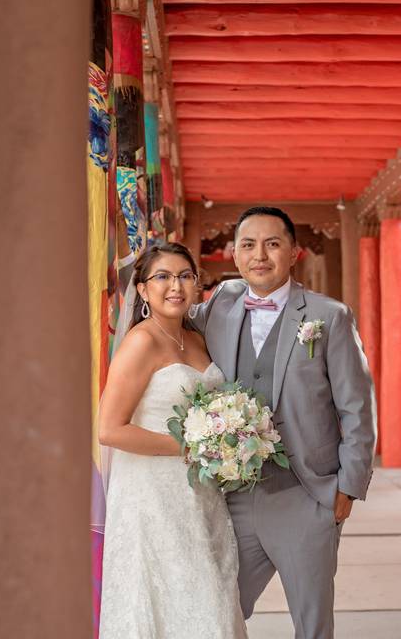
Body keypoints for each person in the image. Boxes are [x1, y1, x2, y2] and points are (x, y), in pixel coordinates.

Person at [191, 206, 376, 639]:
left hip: (306, 495)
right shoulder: (220, 303)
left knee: (312, 626)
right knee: (215, 613)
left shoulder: (329, 316)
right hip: (233, 499)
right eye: (248, 245)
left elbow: (358, 406)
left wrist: (347, 488)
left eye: (272, 244)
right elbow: (165, 318)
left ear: (293, 253)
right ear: (234, 254)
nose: (260, 255)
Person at [97, 242, 247, 639]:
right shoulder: (140, 342)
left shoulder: (196, 338)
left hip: (202, 494)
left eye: (184, 276)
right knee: (171, 599)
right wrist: (193, 447)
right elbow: (110, 429)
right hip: (153, 498)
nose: (175, 285)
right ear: (143, 290)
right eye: (162, 276)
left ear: (196, 284)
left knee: (212, 597)